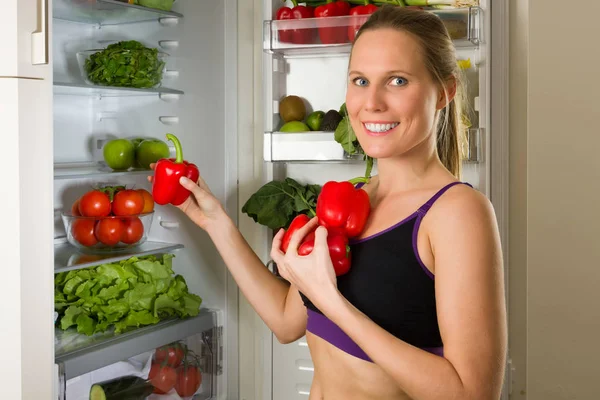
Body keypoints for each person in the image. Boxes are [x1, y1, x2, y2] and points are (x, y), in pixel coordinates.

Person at [158, 5, 507, 400]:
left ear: (445, 91)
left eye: (397, 80)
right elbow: (288, 322)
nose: (371, 102)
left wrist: (333, 302)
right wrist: (216, 224)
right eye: (360, 80)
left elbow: (472, 393)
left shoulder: (456, 212)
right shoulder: (349, 200)